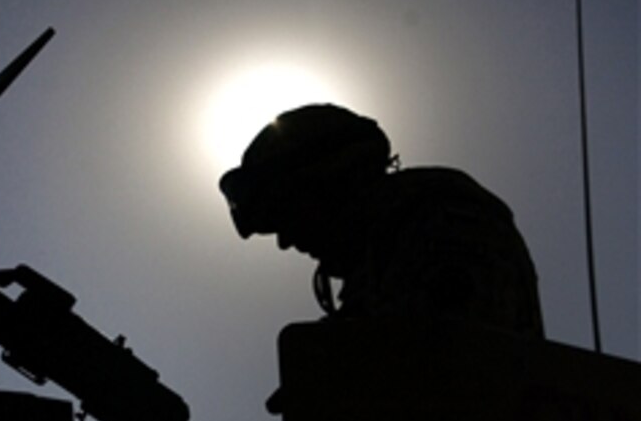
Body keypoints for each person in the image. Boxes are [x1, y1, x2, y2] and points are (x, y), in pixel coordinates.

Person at [219, 104, 544, 340]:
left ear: (333, 180)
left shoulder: (444, 222)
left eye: (285, 213)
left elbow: (452, 386)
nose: (285, 240)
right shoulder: (380, 257)